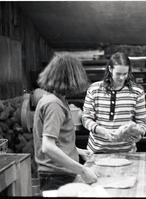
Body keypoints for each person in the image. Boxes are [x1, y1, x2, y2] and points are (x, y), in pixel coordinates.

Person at [33, 52, 98, 191]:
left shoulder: (56, 99)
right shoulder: (53, 104)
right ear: (70, 79)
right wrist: (82, 170)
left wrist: (77, 151)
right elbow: (48, 147)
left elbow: (58, 141)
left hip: (60, 174)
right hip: (56, 176)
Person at [82, 52, 146, 153]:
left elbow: (142, 122)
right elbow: (86, 118)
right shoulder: (94, 89)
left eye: (125, 74)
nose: (121, 78)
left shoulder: (137, 91)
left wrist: (138, 134)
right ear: (110, 69)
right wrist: (102, 131)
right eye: (118, 74)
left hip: (126, 152)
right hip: (97, 151)